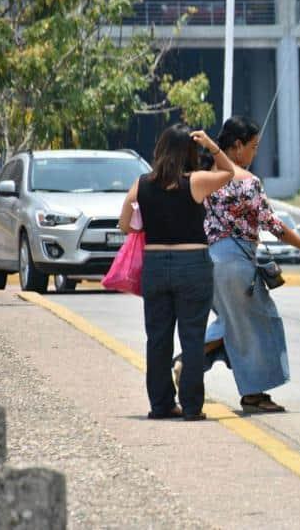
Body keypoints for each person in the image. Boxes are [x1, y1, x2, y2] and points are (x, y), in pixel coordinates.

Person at [181, 115, 300, 413]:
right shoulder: (247, 183)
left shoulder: (203, 176)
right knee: (261, 324)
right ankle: (235, 384)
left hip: (207, 263)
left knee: (234, 324)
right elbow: (273, 225)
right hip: (236, 264)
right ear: (236, 147)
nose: (255, 153)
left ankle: (216, 374)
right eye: (253, 146)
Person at [119, 123, 237, 421]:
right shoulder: (195, 181)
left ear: (160, 150)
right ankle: (192, 407)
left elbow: (125, 225)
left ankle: (160, 405)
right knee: (192, 337)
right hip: (192, 265)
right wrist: (212, 145)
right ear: (189, 152)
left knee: (157, 338)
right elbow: (229, 172)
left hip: (155, 265)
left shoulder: (141, 184)